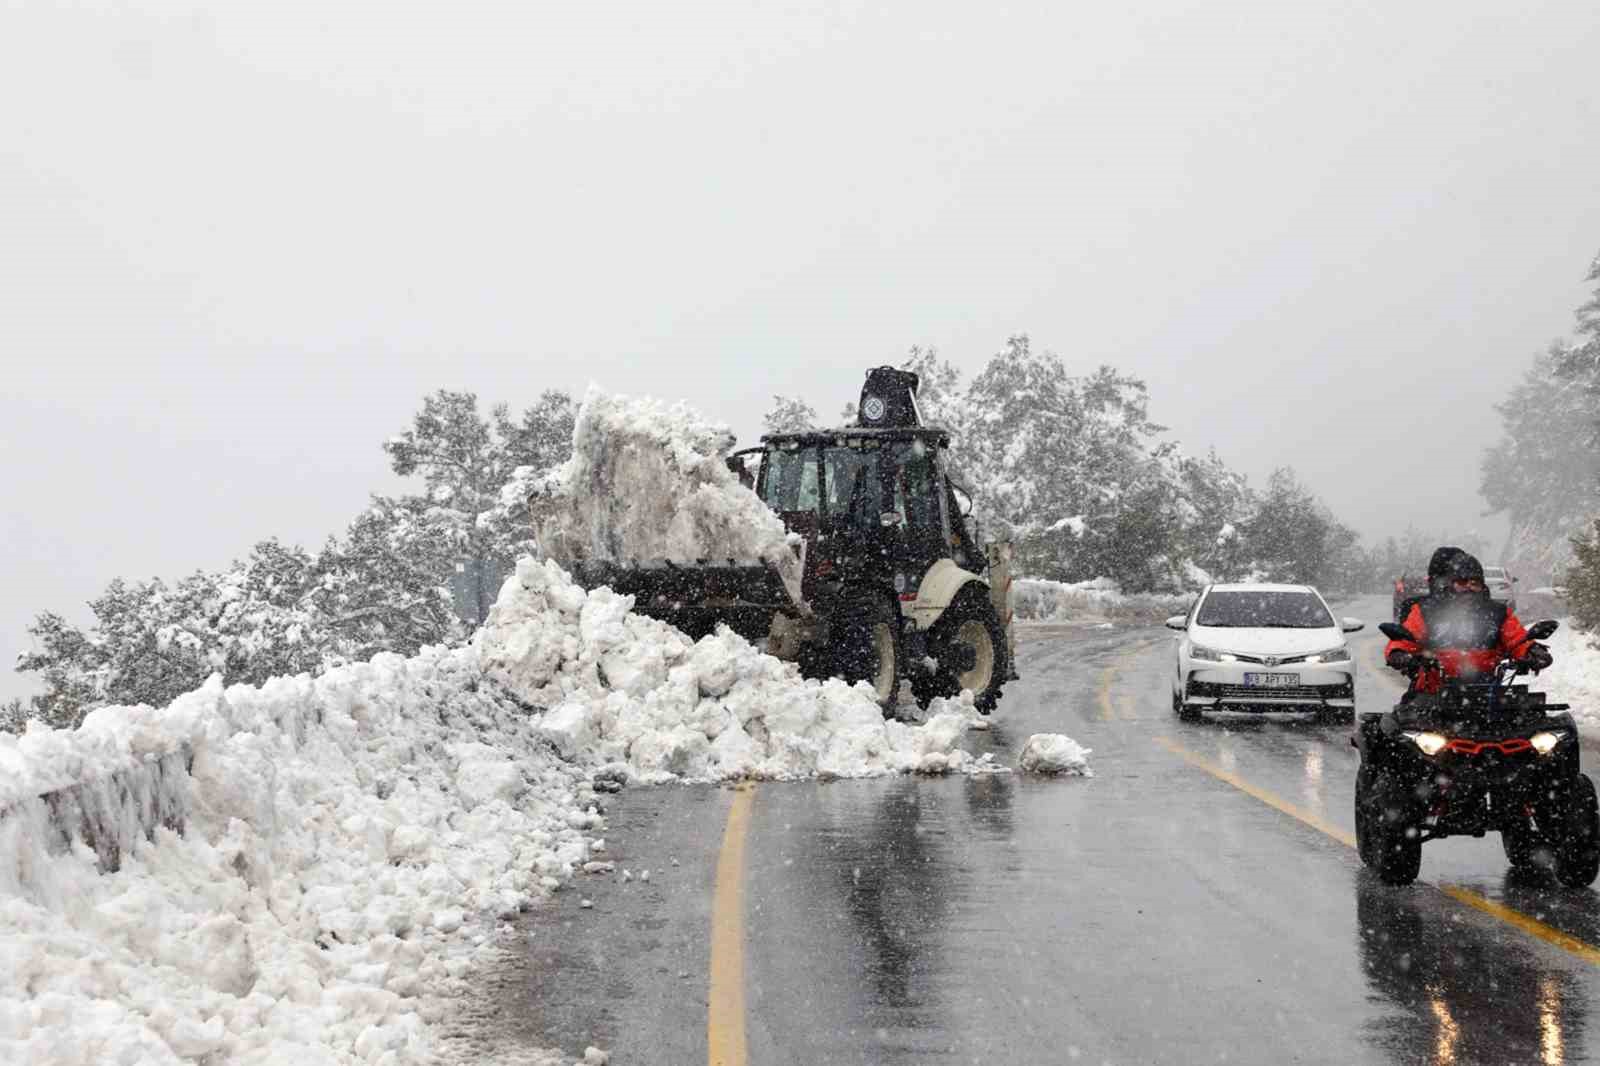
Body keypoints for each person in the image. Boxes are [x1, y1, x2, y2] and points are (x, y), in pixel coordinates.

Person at [1384, 547, 1552, 694]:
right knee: (1399, 724)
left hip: (1489, 696)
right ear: (1450, 583)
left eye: (1475, 582)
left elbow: (1517, 639)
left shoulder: (1498, 612)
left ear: (1482, 585)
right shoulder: (1426, 610)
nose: (1468, 587)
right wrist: (1398, 653)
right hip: (1433, 694)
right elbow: (1405, 639)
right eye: (1462, 582)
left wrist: (1532, 652)